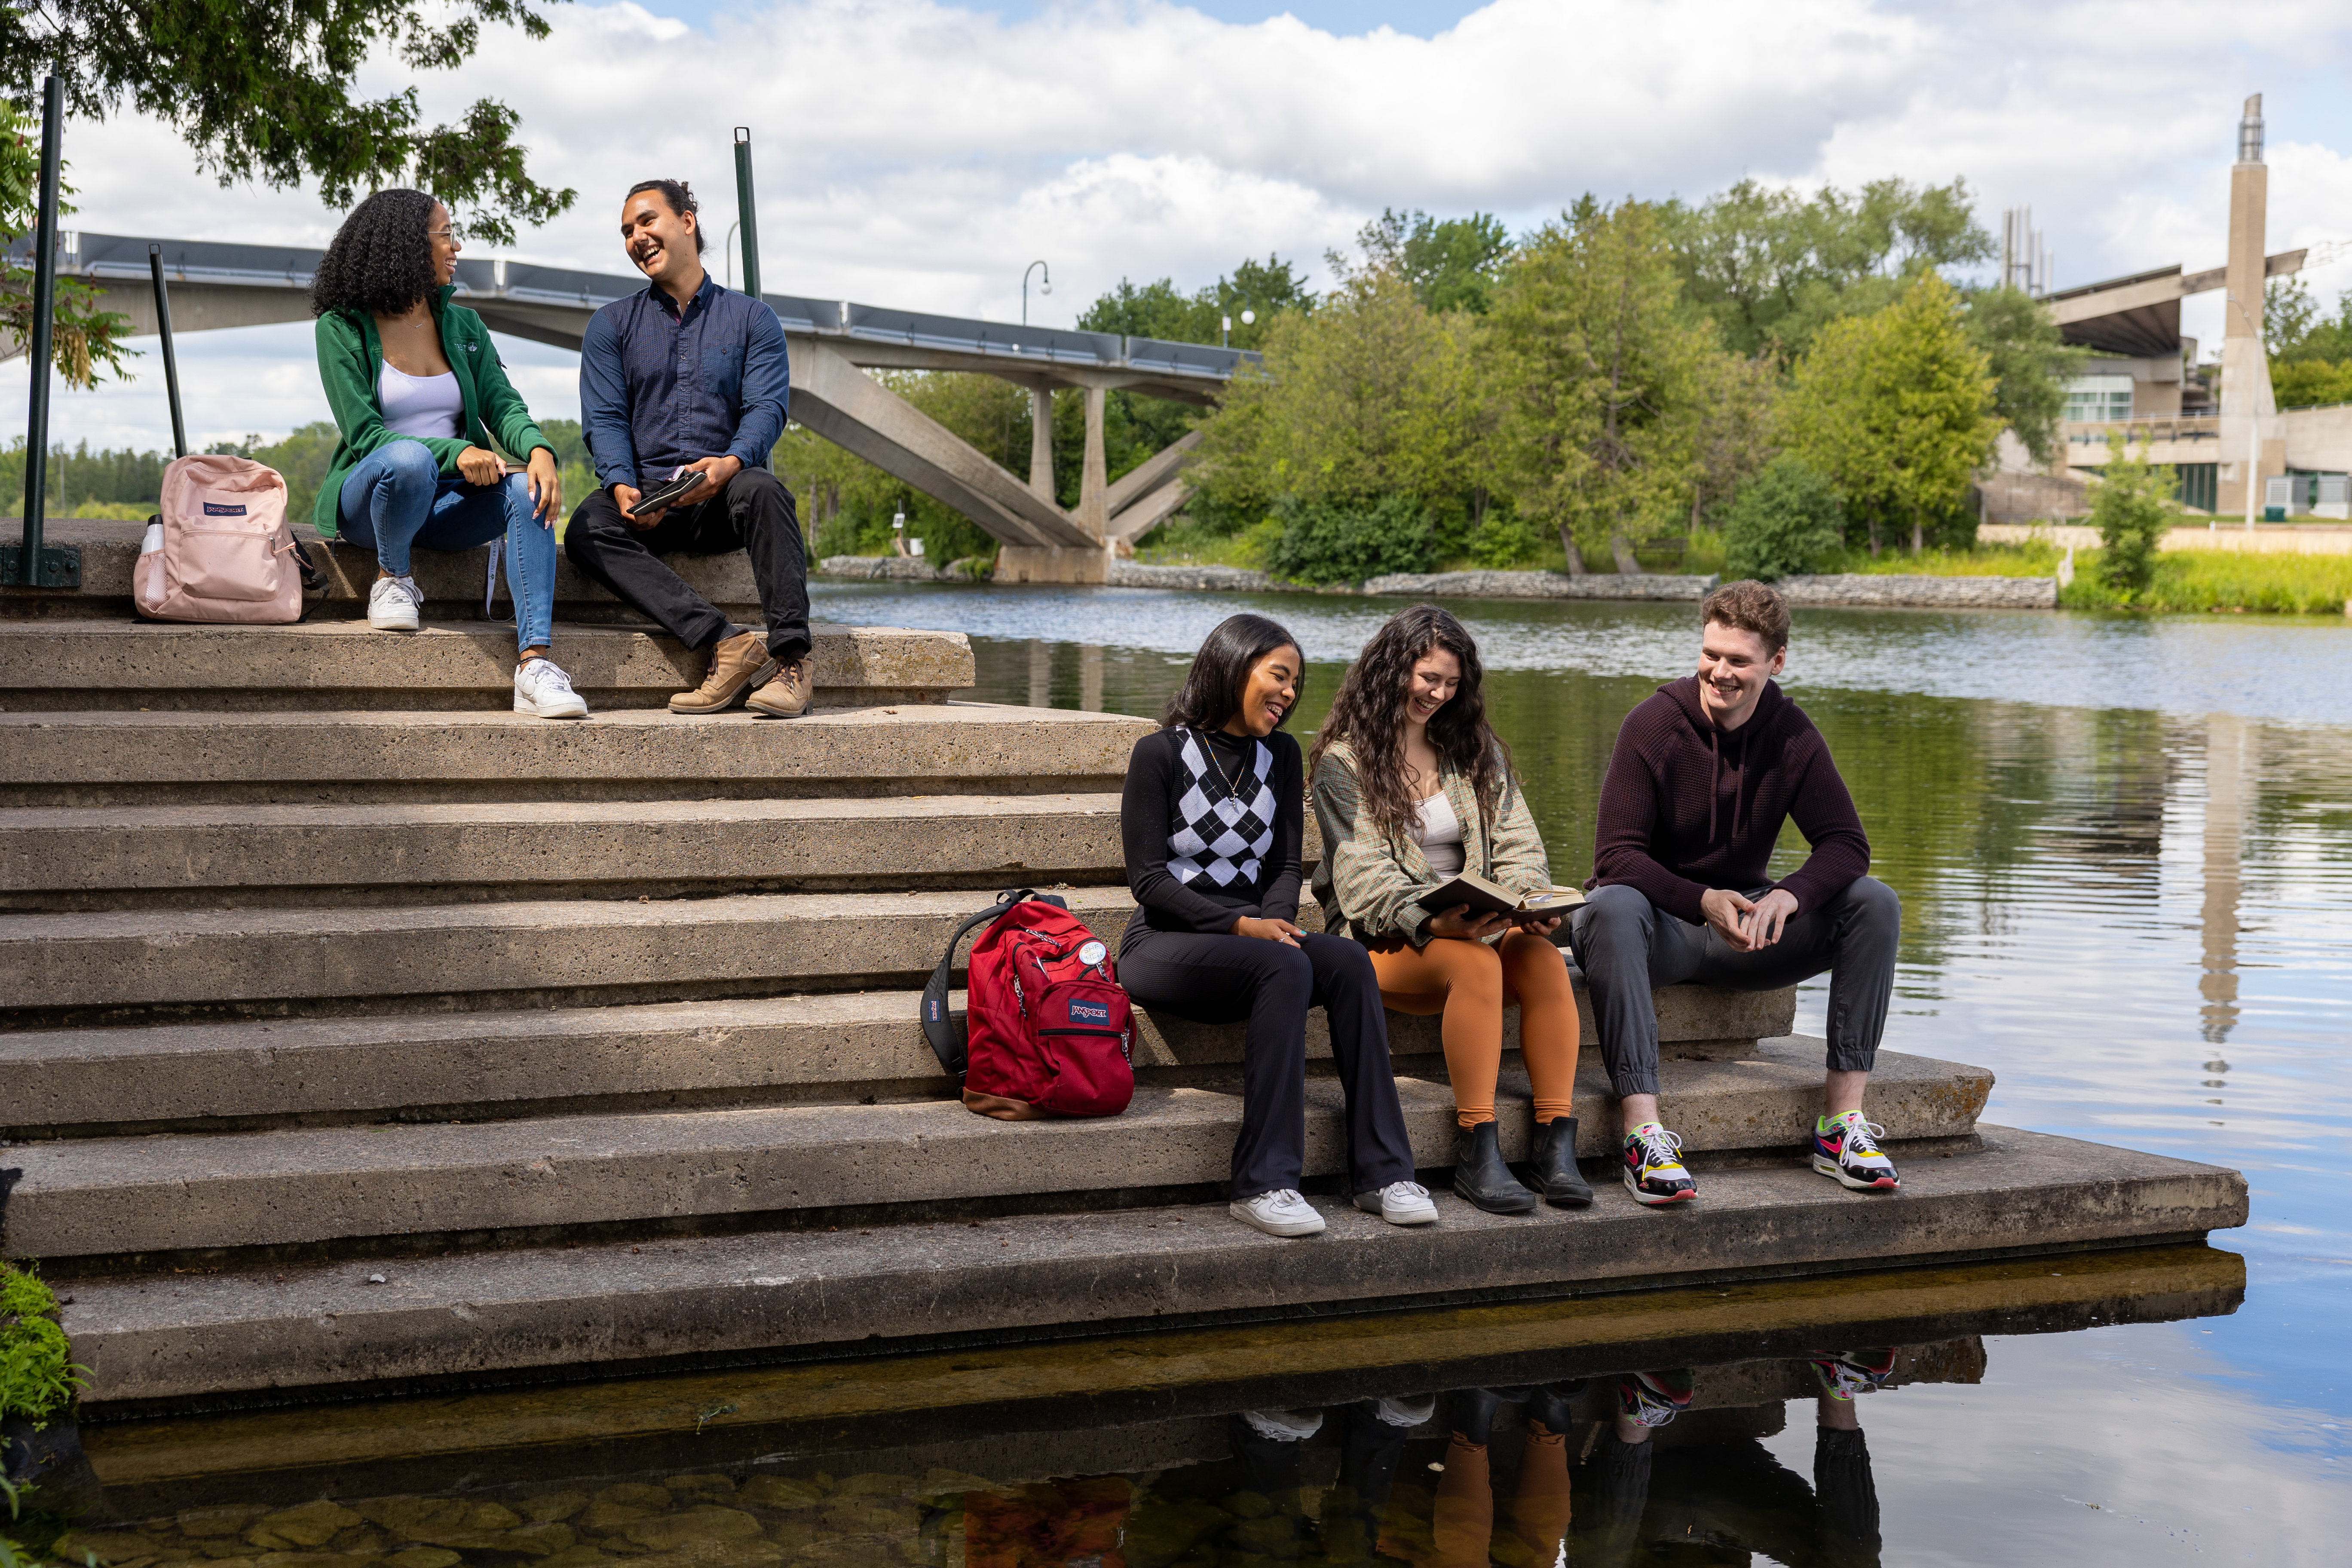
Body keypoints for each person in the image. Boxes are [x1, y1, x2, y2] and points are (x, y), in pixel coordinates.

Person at [1572, 579, 1902, 1206]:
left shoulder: (1791, 734)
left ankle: (1840, 1129)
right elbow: (1615, 857)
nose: (1719, 672)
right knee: (1609, 903)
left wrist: (1790, 896)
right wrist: (1700, 901)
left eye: (1738, 661)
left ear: (1776, 663)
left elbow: (1845, 844)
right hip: (1657, 931)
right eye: (1711, 654)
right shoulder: (1652, 725)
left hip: (1746, 936)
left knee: (1874, 902)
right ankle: (1643, 1134)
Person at [1118, 613, 1434, 1238]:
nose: (1289, 694)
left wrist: (1275, 923)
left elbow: (1287, 865)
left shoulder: (1282, 756)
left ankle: (1383, 1173)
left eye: (1297, 683)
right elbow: (1150, 882)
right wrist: (1241, 927)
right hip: (1164, 943)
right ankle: (1263, 1183)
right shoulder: (1161, 754)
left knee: (1344, 963)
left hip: (1256, 944)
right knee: (1283, 962)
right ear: (1234, 665)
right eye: (1279, 676)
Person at [1311, 605, 1591, 1216]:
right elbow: (1362, 880)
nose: (1437, 694)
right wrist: (1431, 919)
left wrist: (1524, 904)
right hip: (1385, 941)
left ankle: (1555, 1143)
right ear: (1392, 670)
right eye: (1427, 677)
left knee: (1543, 958)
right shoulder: (1343, 763)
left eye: (1450, 683)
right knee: (1475, 965)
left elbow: (1520, 845)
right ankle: (1478, 1148)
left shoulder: (1473, 750)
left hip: (1479, 924)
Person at [310, 189, 584, 718]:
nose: (456, 247)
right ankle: (393, 579)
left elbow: (505, 407)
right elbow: (366, 435)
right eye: (445, 235)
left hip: (449, 506)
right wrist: (457, 451)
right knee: (409, 460)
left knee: (524, 487)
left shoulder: (464, 327)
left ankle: (534, 667)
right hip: (375, 502)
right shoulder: (340, 327)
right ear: (408, 246)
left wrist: (540, 450)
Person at [563, 178, 811, 717]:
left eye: (647, 221)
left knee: (766, 490)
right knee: (586, 526)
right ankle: (727, 641)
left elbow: (767, 409)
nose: (637, 238)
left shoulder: (754, 320)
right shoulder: (611, 326)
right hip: (649, 495)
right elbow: (604, 418)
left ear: (688, 222)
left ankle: (792, 663)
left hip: (722, 493)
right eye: (627, 231)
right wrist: (622, 484)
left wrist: (729, 463)